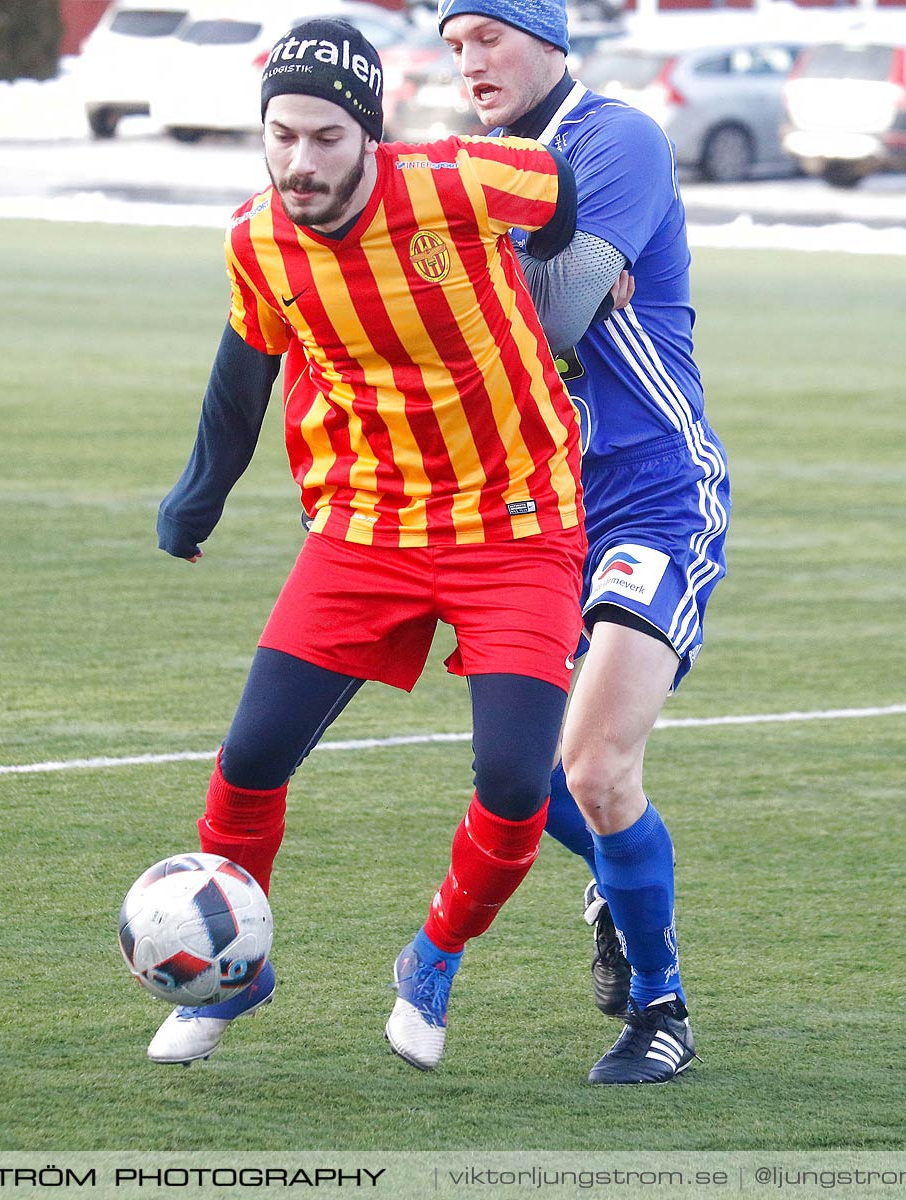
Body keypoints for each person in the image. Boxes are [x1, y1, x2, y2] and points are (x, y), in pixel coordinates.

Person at [150, 18, 587, 1073]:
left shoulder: (457, 184)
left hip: (517, 523)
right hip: (368, 529)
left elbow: (558, 196)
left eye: (326, 140)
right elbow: (244, 363)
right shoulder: (257, 237)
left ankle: (433, 956)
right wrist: (198, 496)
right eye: (283, 137)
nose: (300, 162)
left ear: (371, 135)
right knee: (251, 758)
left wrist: (562, 275)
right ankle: (232, 977)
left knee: (519, 777)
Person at [437, 0, 731, 1085]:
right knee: (522, 778)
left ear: (550, 39)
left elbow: (555, 318)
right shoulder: (473, 166)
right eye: (456, 45)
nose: (470, 61)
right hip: (530, 509)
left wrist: (499, 294)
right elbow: (456, 333)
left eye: (490, 37)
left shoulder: (612, 138)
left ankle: (663, 1012)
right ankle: (616, 878)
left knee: (599, 764)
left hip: (653, 489)